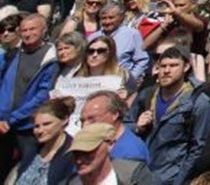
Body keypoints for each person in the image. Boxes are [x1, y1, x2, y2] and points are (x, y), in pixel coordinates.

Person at [128, 44, 210, 185]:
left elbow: (198, 148)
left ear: (186, 67)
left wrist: (180, 181)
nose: (166, 71)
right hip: (140, 173)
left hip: (171, 177)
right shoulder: (147, 95)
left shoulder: (198, 102)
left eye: (173, 66)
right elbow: (123, 126)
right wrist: (137, 127)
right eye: (163, 66)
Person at [0, 12, 59, 175]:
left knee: (27, 171)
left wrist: (12, 119)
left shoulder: (50, 58)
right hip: (2, 124)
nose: (27, 34)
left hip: (28, 126)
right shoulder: (11, 55)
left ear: (44, 30)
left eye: (32, 29)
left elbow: (42, 96)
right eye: (24, 30)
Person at [66, 122, 155, 185]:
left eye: (88, 153)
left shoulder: (133, 175)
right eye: (76, 154)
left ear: (110, 144)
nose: (79, 160)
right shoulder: (72, 181)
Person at [12, 96, 75, 185]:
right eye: (37, 126)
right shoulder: (32, 149)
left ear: (64, 120)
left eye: (46, 124)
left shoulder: (72, 154)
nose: (40, 131)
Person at [79, 90, 149, 164]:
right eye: (82, 121)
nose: (84, 126)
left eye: (92, 119)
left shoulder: (130, 152)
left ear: (114, 114)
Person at [98, 2, 150, 92]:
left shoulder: (132, 34)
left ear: (121, 17)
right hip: (97, 84)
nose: (107, 21)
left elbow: (142, 60)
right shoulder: (94, 37)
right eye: (103, 18)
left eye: (111, 18)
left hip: (122, 86)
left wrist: (130, 80)